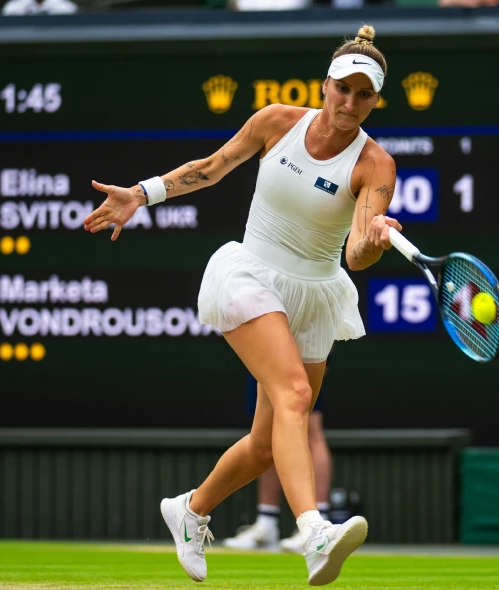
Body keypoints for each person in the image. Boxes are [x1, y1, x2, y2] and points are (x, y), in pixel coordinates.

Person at [83, 25, 399, 586]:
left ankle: (191, 510)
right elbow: (213, 166)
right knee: (295, 394)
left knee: (264, 444)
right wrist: (141, 193)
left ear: (376, 100)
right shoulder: (277, 121)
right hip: (250, 272)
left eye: (363, 94)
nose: (350, 103)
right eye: (342, 88)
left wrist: (372, 240)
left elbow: (355, 256)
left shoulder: (377, 166)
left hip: (315, 293)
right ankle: (313, 532)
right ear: (325, 85)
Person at [224, 368, 333, 553]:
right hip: (267, 344)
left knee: (309, 426)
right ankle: (267, 522)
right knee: (269, 430)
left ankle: (318, 524)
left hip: (304, 344)